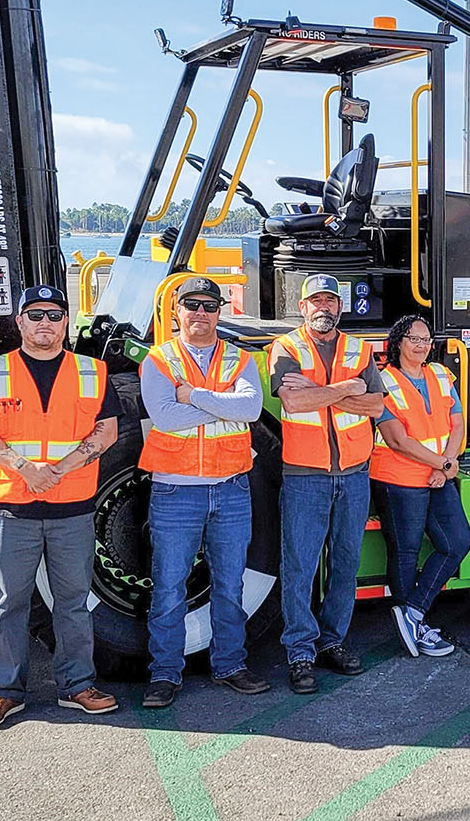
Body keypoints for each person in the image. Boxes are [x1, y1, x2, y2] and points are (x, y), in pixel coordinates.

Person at [0, 285, 121, 729]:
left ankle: (77, 686)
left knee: (72, 601)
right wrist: (26, 468)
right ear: (20, 322)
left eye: (54, 315)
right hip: (13, 509)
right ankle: (3, 692)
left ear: (66, 323)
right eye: (35, 315)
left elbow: (106, 431)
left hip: (73, 508)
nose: (44, 323)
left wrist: (62, 468)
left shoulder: (92, 371)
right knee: (9, 601)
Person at [138, 276, 271, 708]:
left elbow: (250, 409)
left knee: (229, 585)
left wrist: (192, 396)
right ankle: (164, 674)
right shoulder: (159, 360)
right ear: (175, 311)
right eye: (191, 305)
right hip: (178, 493)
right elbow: (164, 417)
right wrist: (220, 405)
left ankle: (230, 664)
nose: (200, 313)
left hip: (231, 489)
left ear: (220, 311)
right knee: (169, 588)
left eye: (209, 305)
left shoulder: (238, 358)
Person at [269, 273, 386, 694]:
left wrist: (322, 390)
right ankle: (300, 652)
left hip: (354, 474)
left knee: (345, 564)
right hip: (305, 476)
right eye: (315, 300)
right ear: (302, 307)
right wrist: (343, 388)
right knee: (299, 567)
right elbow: (294, 400)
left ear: (340, 307)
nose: (324, 307)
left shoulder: (359, 348)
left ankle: (332, 641)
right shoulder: (284, 348)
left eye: (331, 301)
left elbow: (376, 404)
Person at [371, 314, 470, 658]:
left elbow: (457, 423)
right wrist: (442, 464)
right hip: (399, 479)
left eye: (427, 339)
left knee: (458, 542)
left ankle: (412, 613)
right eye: (414, 338)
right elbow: (396, 440)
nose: (422, 345)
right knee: (406, 551)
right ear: (398, 342)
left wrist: (446, 464)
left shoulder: (441, 375)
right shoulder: (384, 381)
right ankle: (413, 624)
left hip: (437, 477)